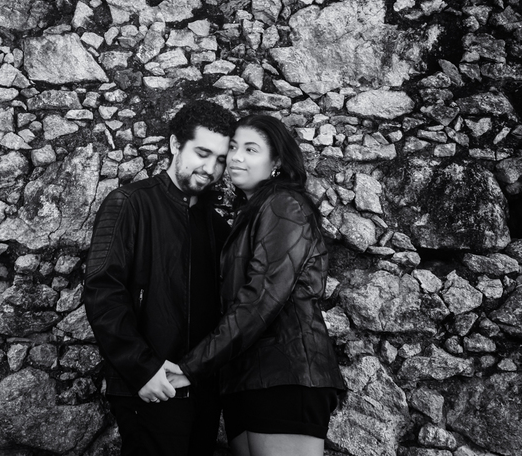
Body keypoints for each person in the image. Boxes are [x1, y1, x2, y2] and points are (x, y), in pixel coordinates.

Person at [167, 114, 346, 456]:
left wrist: (193, 366)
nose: (236, 157)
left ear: (276, 162)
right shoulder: (252, 212)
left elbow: (261, 299)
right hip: (245, 379)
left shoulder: (284, 205)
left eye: (251, 150)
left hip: (286, 373)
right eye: (233, 148)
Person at [83, 99, 237, 456]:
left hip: (202, 393)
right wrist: (143, 370)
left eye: (220, 160)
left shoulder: (217, 227)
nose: (210, 168)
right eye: (202, 153)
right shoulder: (129, 203)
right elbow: (103, 292)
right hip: (150, 389)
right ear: (174, 144)